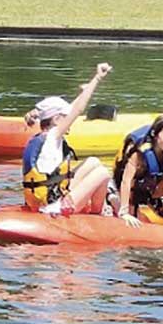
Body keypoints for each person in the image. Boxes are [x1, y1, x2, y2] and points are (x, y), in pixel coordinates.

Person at [21, 63, 115, 215]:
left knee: (93, 162)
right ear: (57, 119)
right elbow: (77, 110)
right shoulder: (53, 136)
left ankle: (101, 205)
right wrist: (97, 78)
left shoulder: (44, 136)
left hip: (51, 197)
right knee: (103, 173)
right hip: (53, 207)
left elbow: (71, 109)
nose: (69, 121)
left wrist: (84, 91)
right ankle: (98, 213)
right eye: (65, 118)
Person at [111, 114, 163, 229]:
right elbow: (126, 181)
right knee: (135, 220)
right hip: (124, 183)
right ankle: (114, 198)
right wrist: (125, 212)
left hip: (148, 182)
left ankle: (150, 198)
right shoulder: (139, 153)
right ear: (155, 135)